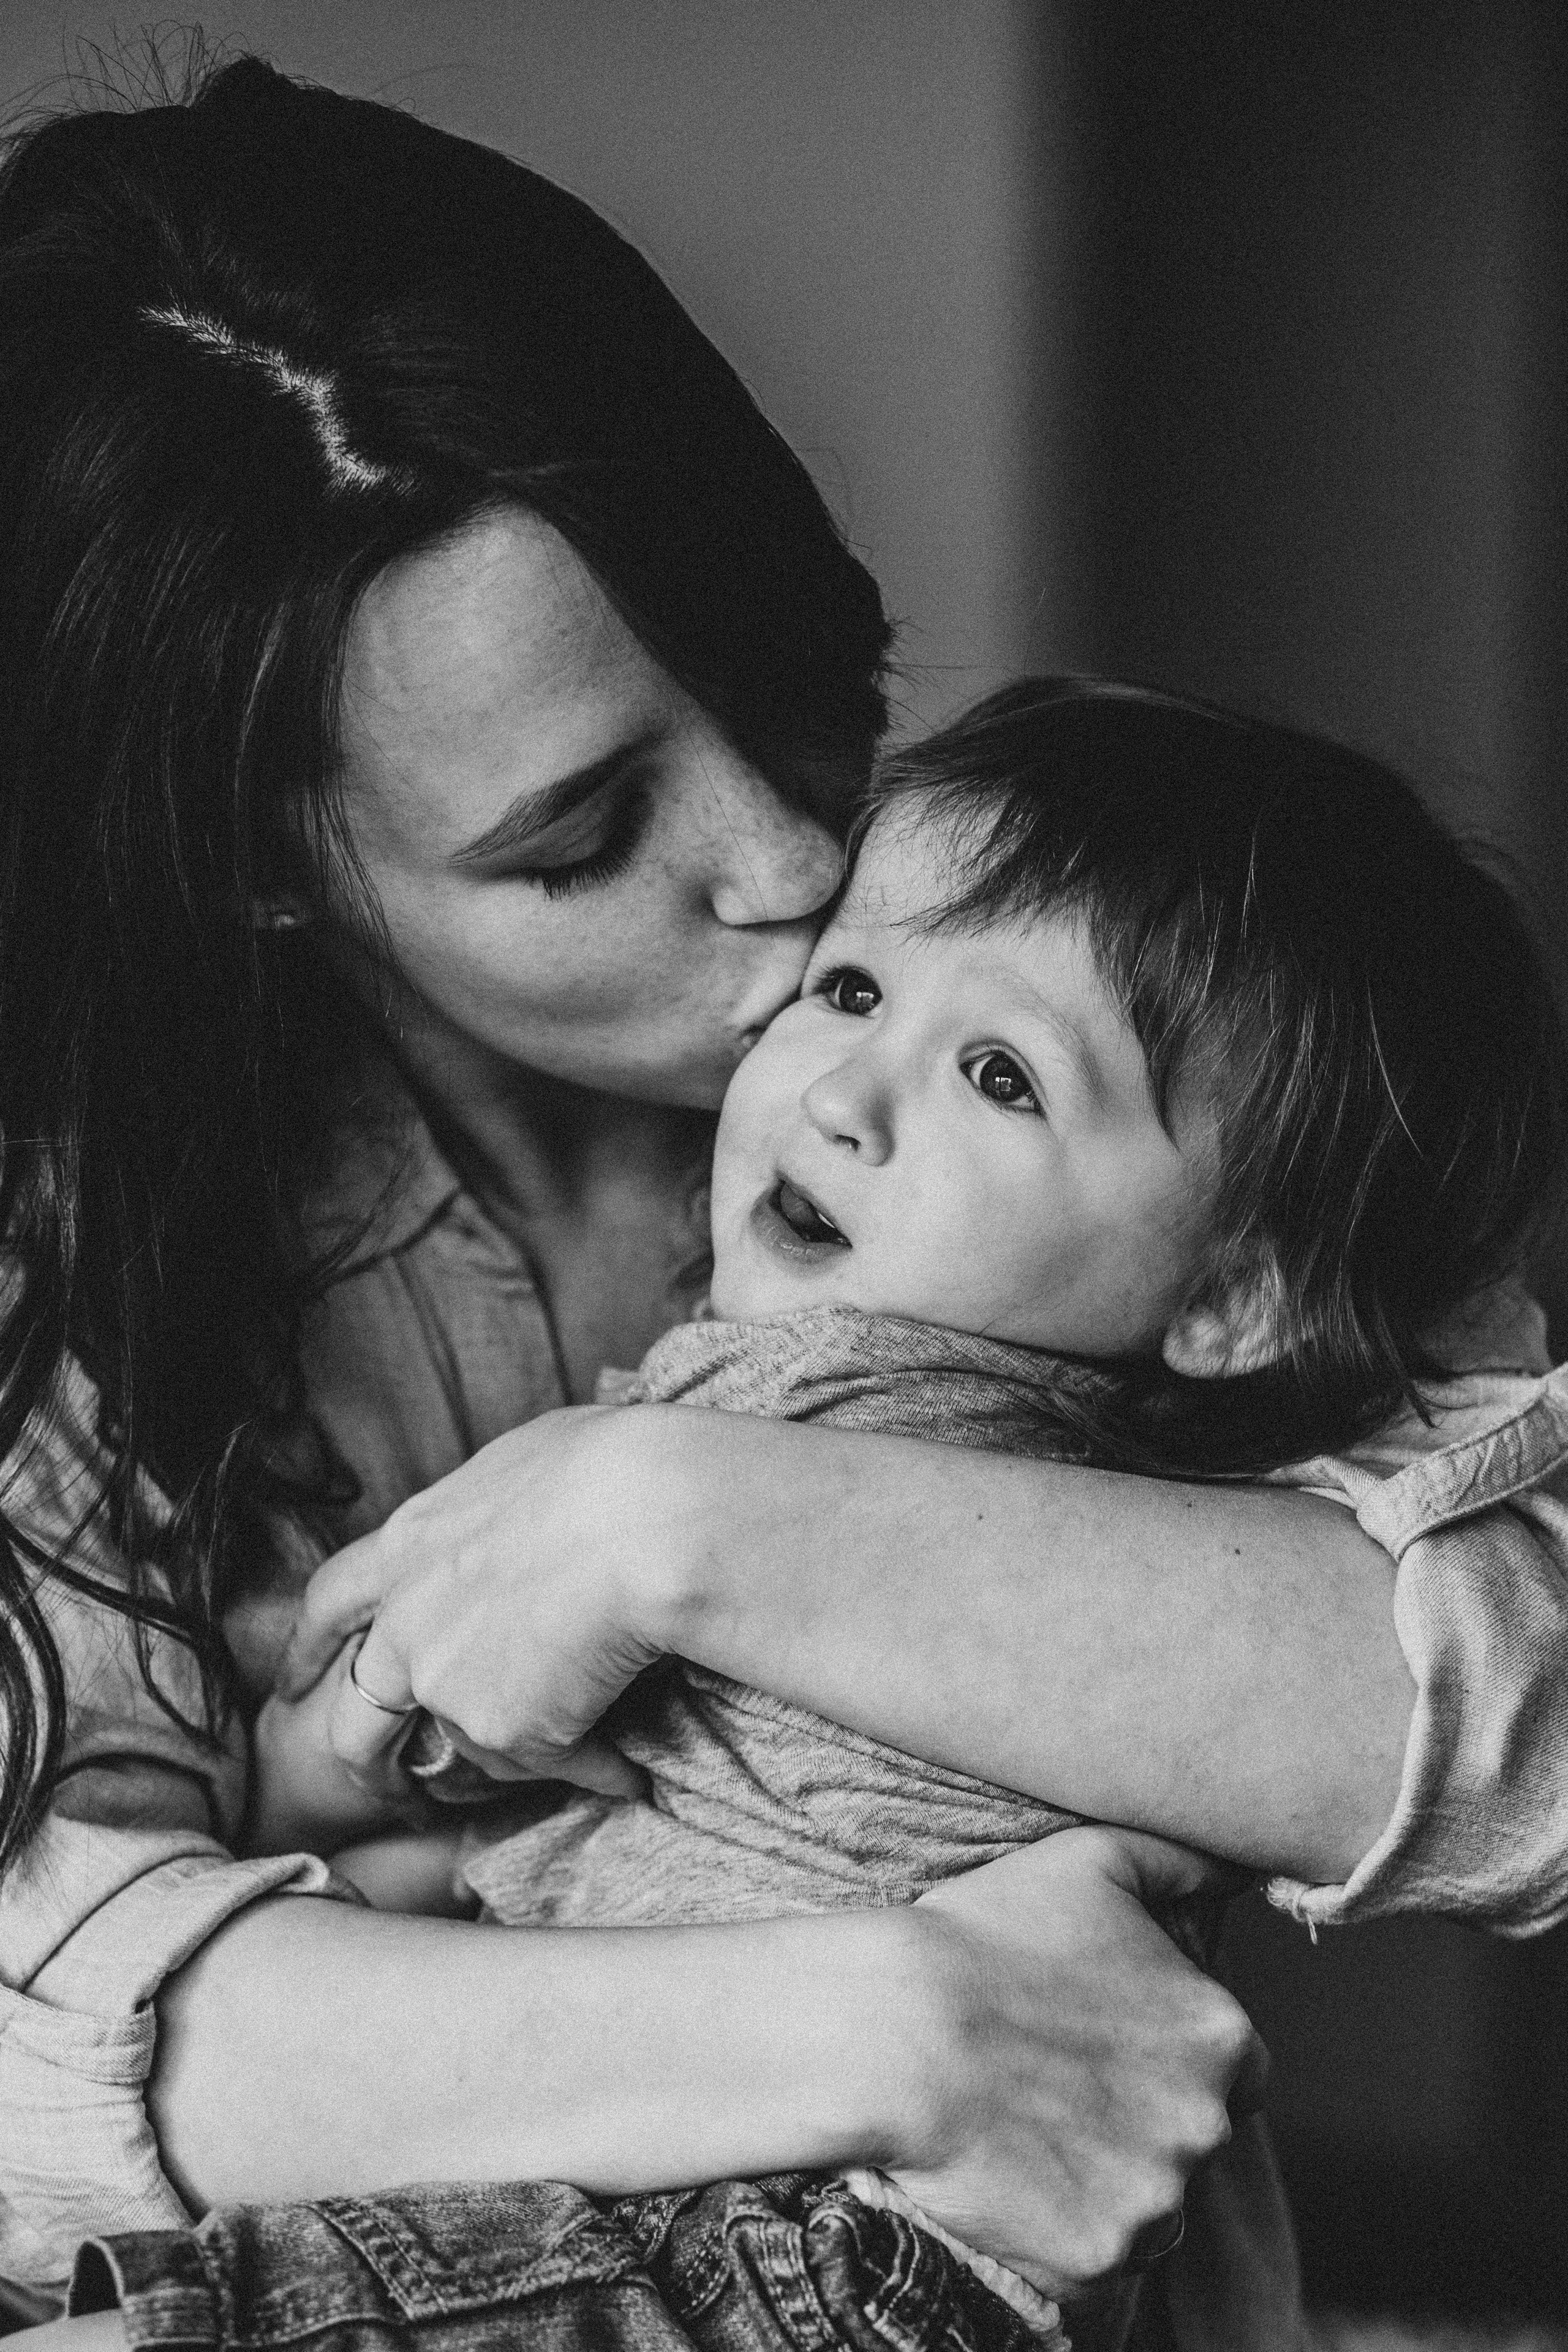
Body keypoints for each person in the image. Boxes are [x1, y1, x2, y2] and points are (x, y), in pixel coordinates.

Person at [1, 50, 1566, 2352]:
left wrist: (675, 1522)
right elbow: (37, 2034)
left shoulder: (1046, 955)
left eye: (797, 676)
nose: (791, 861)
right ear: (255, 870)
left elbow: (1530, 1682)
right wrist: (895, 2029)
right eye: (578, 842)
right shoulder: (79, 1246)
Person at [252, 679, 1567, 2352]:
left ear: (1233, 1304)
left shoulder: (828, 1406)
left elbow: (421, 1735)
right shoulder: (1179, 1499)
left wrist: (309, 1757)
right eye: (856, 985)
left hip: (758, 2260)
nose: (846, 1094)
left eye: (1002, 1076)